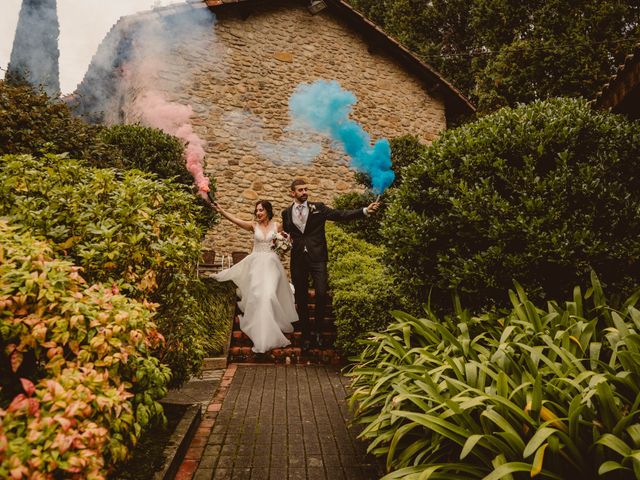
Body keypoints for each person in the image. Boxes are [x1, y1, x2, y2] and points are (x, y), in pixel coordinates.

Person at [282, 178, 380, 349]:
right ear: (292, 193)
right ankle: (306, 336)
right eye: (300, 190)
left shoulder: (318, 208)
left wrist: (364, 211)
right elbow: (287, 234)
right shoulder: (286, 213)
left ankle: (318, 331)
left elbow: (340, 215)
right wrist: (281, 244)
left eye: (306, 189)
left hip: (318, 258)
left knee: (321, 293)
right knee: (301, 298)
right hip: (297, 260)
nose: (304, 192)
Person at [212, 200, 298, 353]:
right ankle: (263, 333)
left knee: (270, 295)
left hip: (272, 265)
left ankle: (272, 325)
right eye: (257, 210)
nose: (258, 213)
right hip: (256, 264)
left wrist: (284, 245)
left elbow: (291, 227)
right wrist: (221, 210)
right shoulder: (253, 225)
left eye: (261, 210)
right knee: (258, 295)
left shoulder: (277, 226)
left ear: (268, 211)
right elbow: (235, 220)